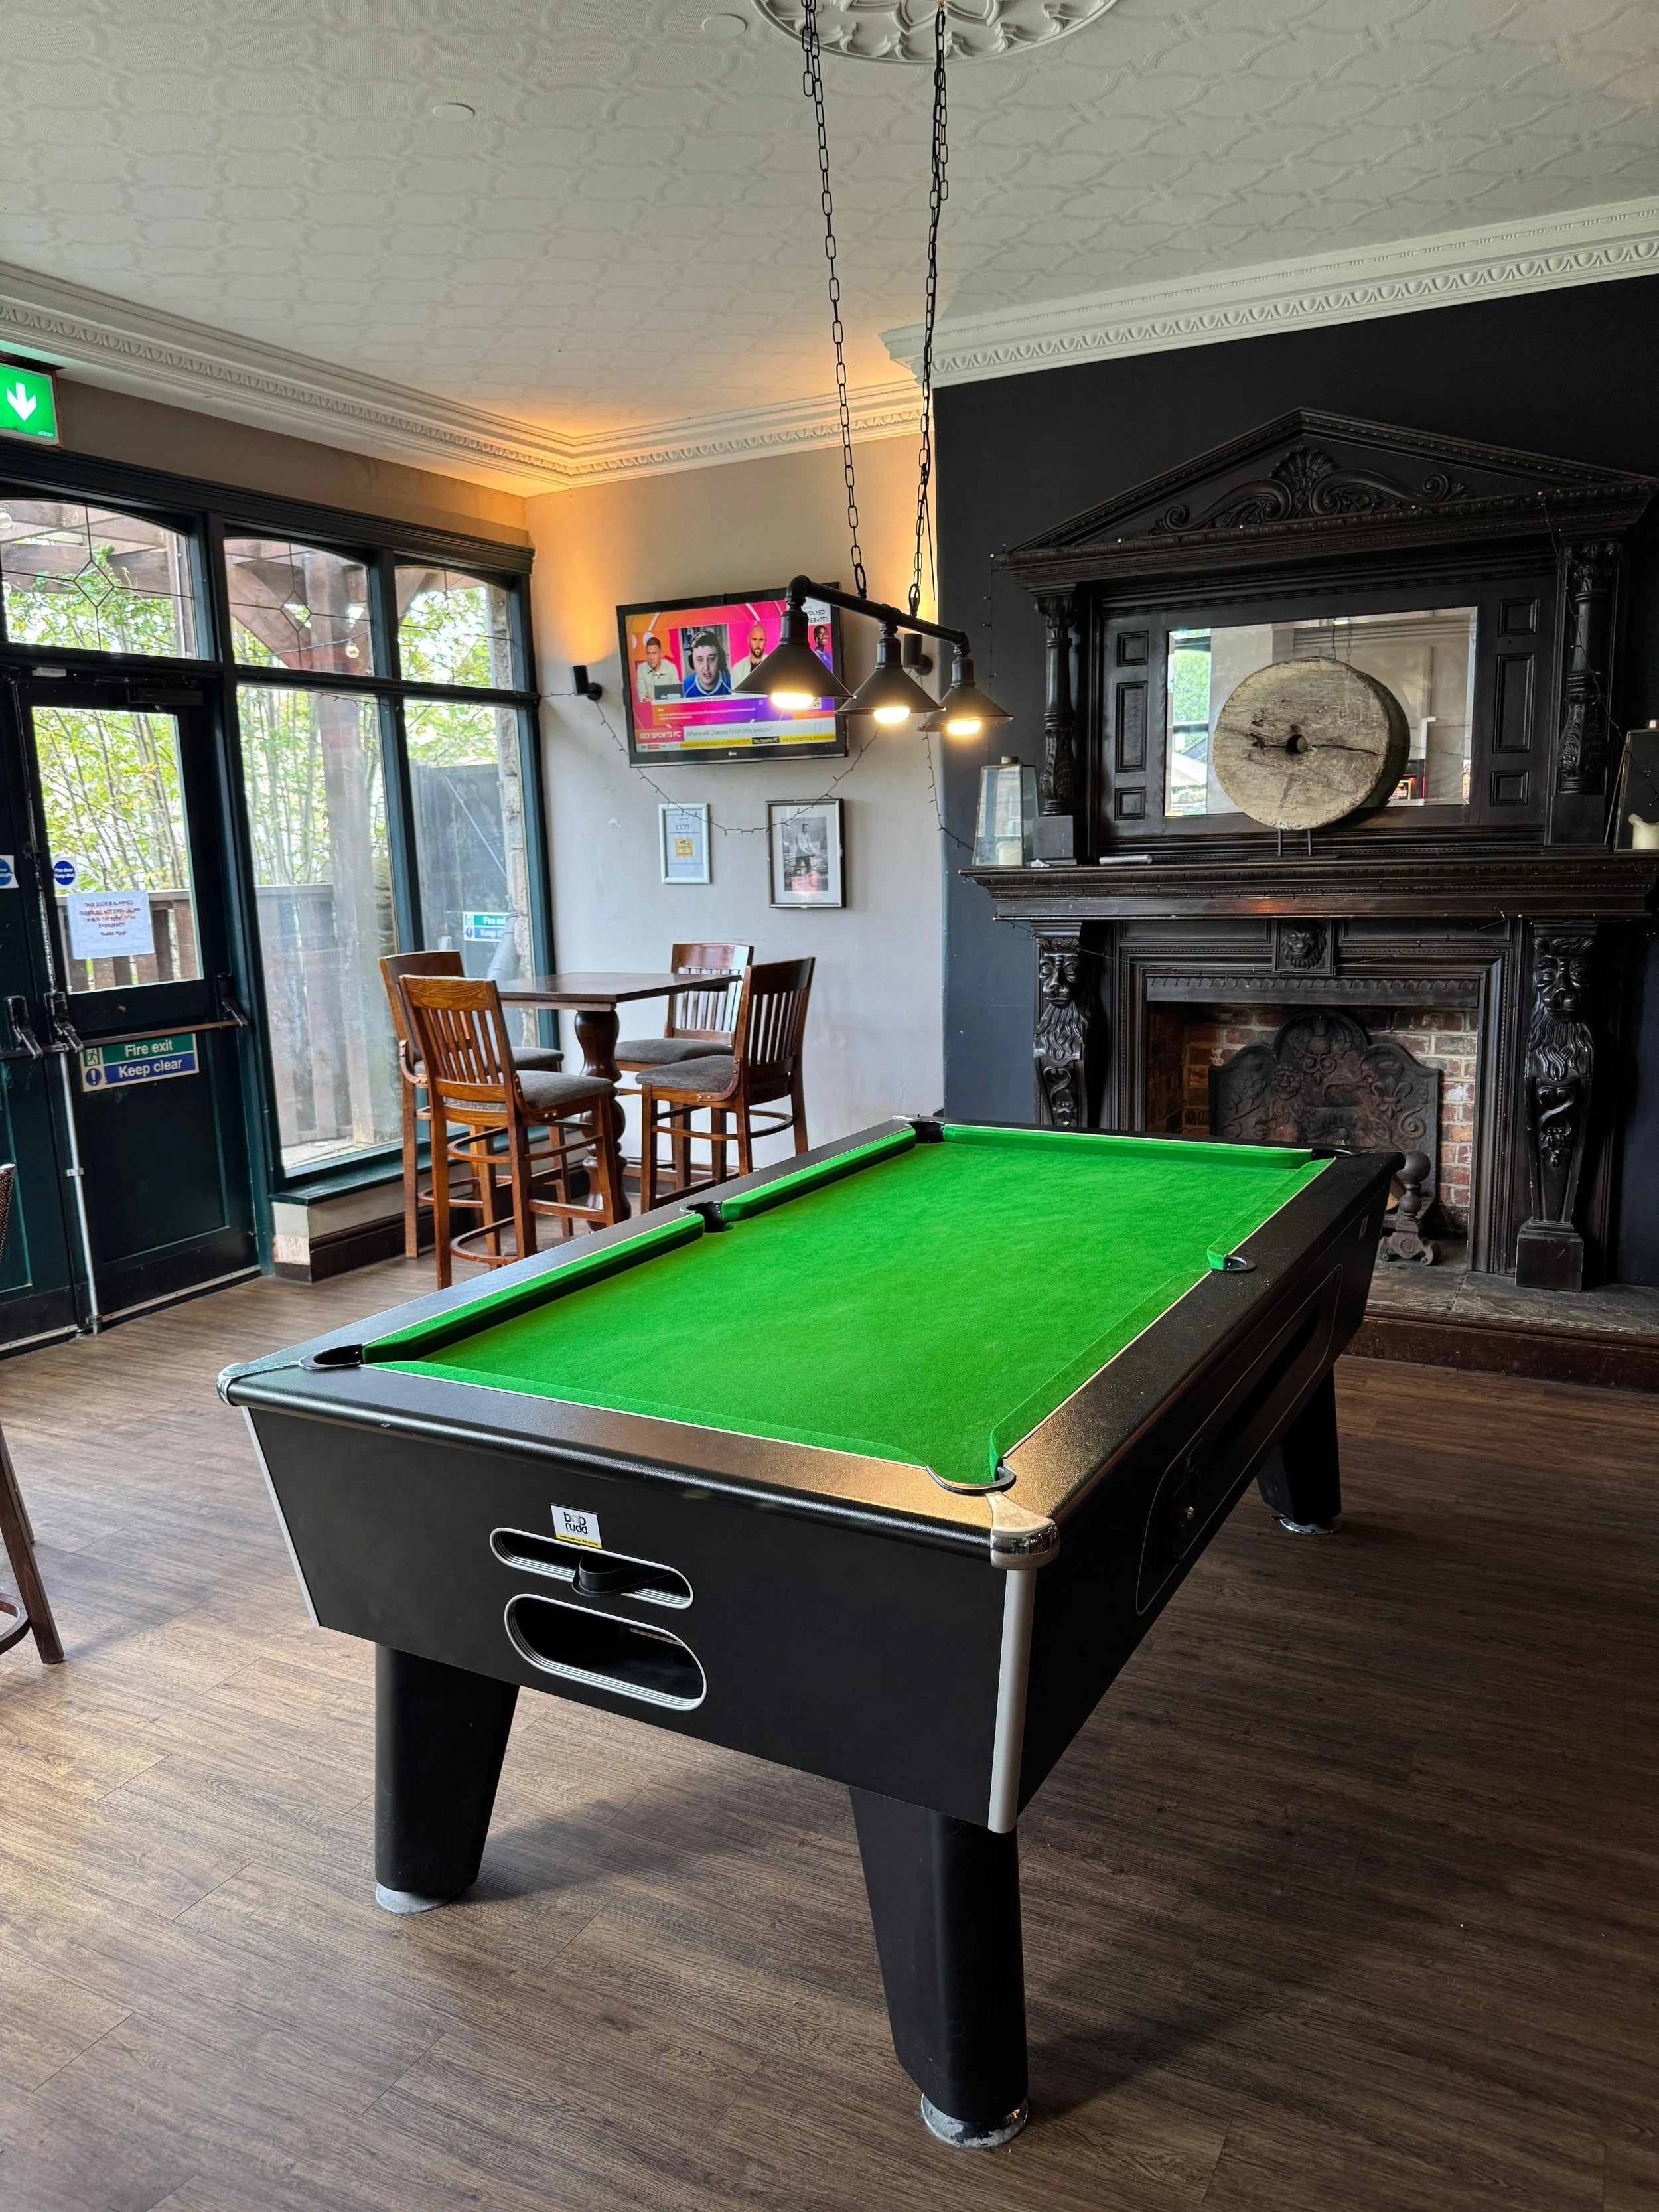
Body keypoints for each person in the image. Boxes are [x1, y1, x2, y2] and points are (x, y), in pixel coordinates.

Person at [682, 630, 731, 698]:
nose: (706, 667)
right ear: (692, 662)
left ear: (720, 659)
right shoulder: (685, 687)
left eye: (712, 659)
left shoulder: (733, 685)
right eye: (700, 659)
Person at [636, 633, 680, 704]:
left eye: (654, 653)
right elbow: (642, 694)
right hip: (649, 709)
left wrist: (655, 702)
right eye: (649, 653)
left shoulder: (671, 668)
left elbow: (676, 694)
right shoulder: (641, 670)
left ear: (660, 654)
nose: (651, 658)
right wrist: (645, 699)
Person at [730, 621, 768, 686]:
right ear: (748, 640)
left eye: (761, 640)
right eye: (754, 640)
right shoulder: (737, 669)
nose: (758, 645)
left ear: (765, 641)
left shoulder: (773, 665)